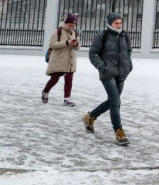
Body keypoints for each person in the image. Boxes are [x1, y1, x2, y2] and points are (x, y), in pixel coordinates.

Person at [82, 12, 134, 146]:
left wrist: (129, 65)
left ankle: (90, 117)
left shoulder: (124, 36)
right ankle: (119, 132)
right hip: (107, 74)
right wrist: (102, 66)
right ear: (110, 23)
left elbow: (128, 51)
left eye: (120, 22)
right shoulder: (102, 36)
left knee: (112, 101)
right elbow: (93, 54)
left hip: (121, 74)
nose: (119, 25)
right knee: (116, 102)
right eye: (116, 23)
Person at [42, 13, 80, 106]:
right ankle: (45, 92)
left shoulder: (74, 32)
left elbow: (78, 47)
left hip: (70, 60)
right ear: (66, 23)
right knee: (55, 78)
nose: (71, 27)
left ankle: (67, 99)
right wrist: (66, 43)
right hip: (59, 59)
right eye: (70, 25)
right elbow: (52, 44)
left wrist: (75, 44)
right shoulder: (58, 31)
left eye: (73, 25)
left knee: (69, 78)